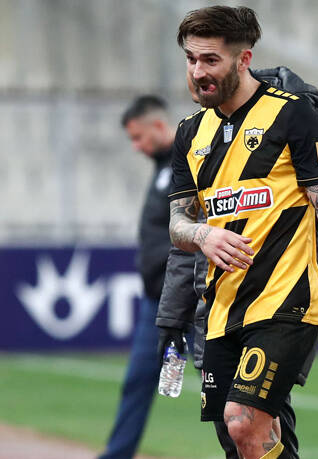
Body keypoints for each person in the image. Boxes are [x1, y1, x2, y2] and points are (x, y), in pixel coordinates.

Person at [166, 6, 318, 459]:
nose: (198, 72)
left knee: (243, 420)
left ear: (244, 59)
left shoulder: (293, 115)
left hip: (287, 301)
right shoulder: (189, 134)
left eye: (210, 60)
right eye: (191, 60)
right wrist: (202, 236)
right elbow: (178, 225)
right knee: (245, 438)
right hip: (222, 309)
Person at [99, 96, 194, 459]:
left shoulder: (189, 160)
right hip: (156, 303)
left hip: (191, 300)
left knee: (220, 385)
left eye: (138, 137)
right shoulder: (161, 167)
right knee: (137, 382)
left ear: (158, 125)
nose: (136, 147)